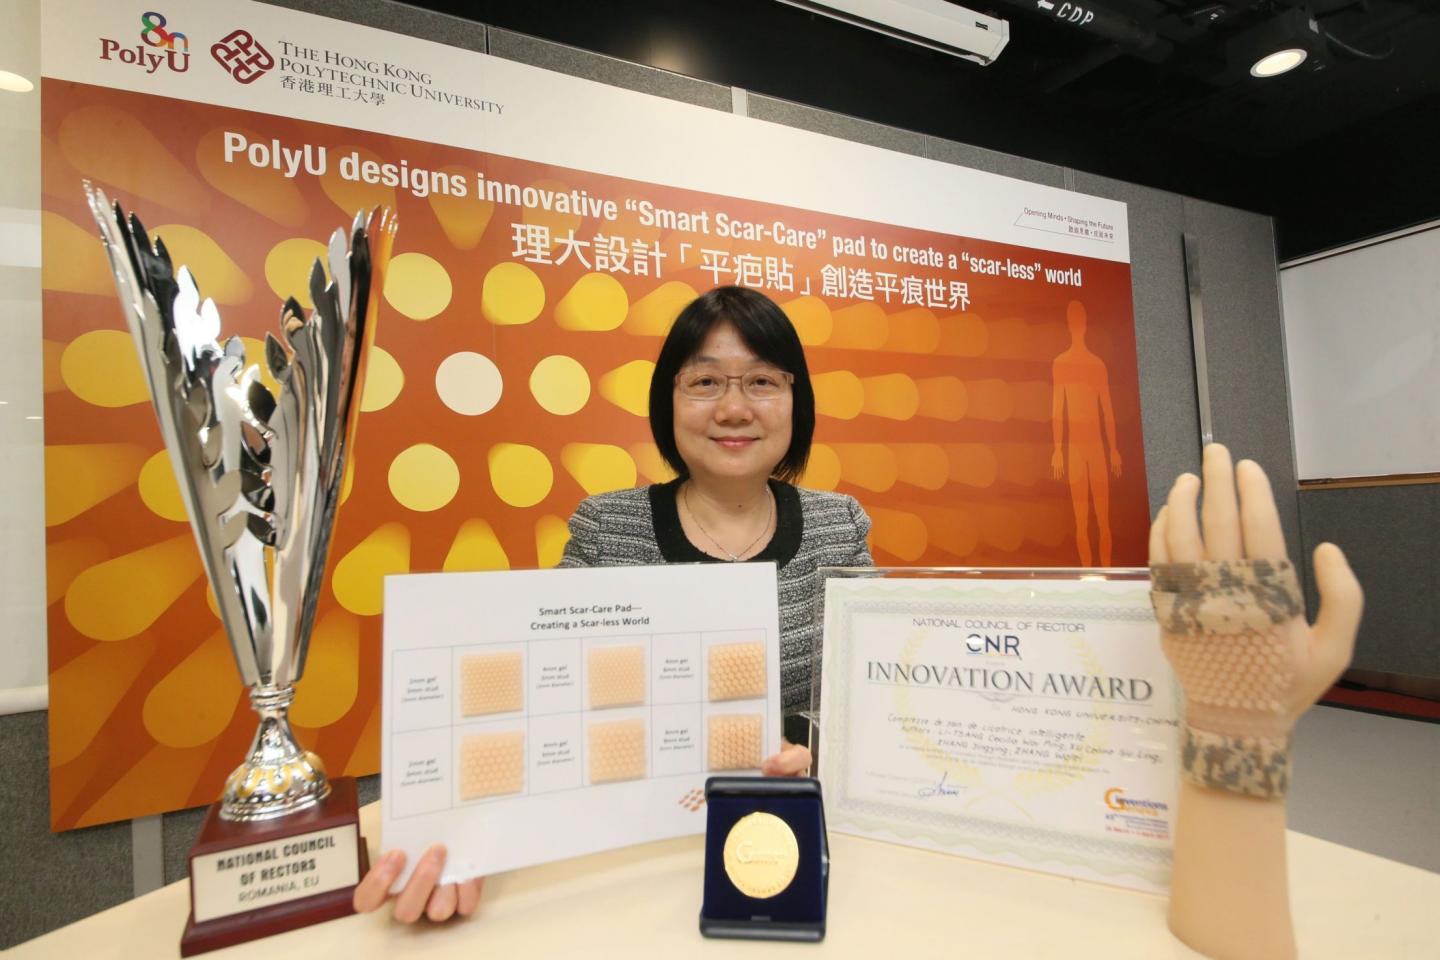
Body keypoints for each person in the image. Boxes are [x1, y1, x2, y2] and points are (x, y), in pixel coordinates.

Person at [354, 285, 872, 922]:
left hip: (802, 835)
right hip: (635, 856)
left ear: (797, 401)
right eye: (705, 382)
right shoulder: (606, 527)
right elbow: (543, 701)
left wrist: (809, 746)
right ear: (667, 400)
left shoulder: (839, 526)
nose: (734, 408)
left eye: (762, 381)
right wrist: (466, 837)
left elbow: (868, 696)